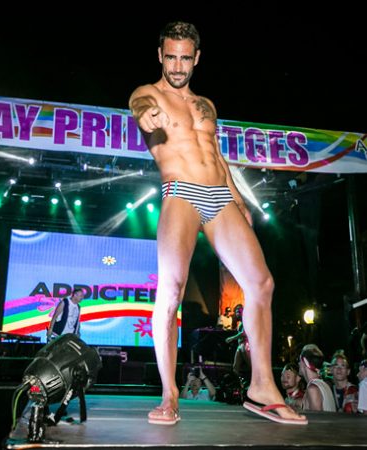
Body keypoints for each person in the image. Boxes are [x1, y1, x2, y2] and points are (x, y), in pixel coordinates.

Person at [129, 21, 306, 425]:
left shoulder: (205, 104)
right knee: (170, 291)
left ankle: (262, 387)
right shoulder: (148, 94)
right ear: (160, 56)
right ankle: (169, 394)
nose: (177, 66)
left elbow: (216, 154)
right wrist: (146, 116)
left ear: (196, 58)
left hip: (219, 195)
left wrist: (238, 198)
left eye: (184, 58)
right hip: (181, 192)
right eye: (170, 57)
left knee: (261, 284)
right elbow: (139, 105)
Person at [299, 344, 336, 412]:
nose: (298, 363)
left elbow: (317, 418)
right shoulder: (324, 385)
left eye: (299, 361)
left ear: (304, 362)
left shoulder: (313, 389)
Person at [225, 304, 251, 378]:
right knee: (235, 367)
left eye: (239, 312)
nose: (237, 314)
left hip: (245, 345)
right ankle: (237, 382)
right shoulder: (240, 323)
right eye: (236, 312)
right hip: (240, 345)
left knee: (251, 365)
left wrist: (232, 338)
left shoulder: (247, 320)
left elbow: (244, 333)